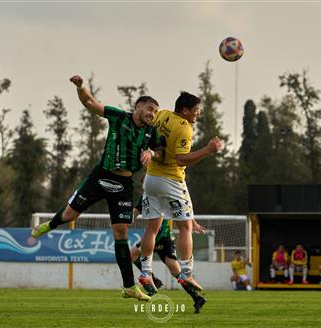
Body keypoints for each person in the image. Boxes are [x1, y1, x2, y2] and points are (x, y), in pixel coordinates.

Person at [31, 75, 162, 302]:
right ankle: (49, 225)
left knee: (121, 233)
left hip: (123, 184)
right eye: (150, 109)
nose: (152, 114)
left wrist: (152, 152)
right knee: (70, 215)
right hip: (100, 176)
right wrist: (81, 87)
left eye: (155, 112)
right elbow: (90, 103)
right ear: (138, 106)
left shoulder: (151, 133)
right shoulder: (119, 117)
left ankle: (129, 287)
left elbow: (161, 152)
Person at [139, 91, 223, 293]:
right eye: (196, 110)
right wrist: (207, 150)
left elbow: (151, 131)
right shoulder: (184, 128)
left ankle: (145, 272)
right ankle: (186, 272)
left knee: (152, 229)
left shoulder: (162, 114)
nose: (198, 114)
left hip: (150, 179)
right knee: (185, 227)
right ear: (185, 110)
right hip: (171, 179)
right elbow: (181, 159)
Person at [130, 187, 206, 313]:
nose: (146, 184)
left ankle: (153, 280)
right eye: (144, 183)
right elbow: (135, 212)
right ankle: (196, 297)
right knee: (176, 271)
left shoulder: (165, 191)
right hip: (163, 238)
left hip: (161, 235)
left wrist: (192, 222)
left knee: (131, 255)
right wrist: (124, 218)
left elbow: (183, 209)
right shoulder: (145, 196)